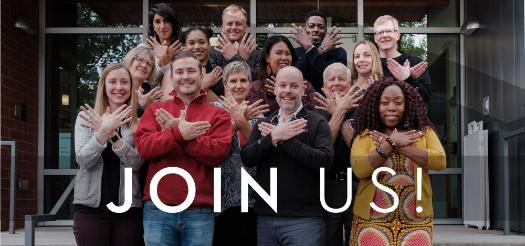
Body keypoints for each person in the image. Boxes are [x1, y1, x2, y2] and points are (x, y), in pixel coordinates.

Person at [135, 51, 232, 246]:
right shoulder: (155, 110)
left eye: (191, 71)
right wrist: (179, 134)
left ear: (201, 75)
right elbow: (144, 148)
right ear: (172, 77)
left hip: (199, 209)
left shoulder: (218, 114)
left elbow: (218, 153)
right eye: (179, 72)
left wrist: (181, 137)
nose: (185, 76)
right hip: (158, 207)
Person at [241, 66, 334, 246]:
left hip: (305, 220)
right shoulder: (264, 123)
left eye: (293, 86)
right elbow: (247, 157)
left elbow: (325, 161)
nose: (287, 91)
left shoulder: (317, 122)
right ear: (275, 89)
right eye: (282, 85)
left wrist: (286, 140)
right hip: (266, 218)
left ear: (303, 89)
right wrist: (272, 138)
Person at [350, 79, 446, 245]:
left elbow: (440, 161)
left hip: (416, 222)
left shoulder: (423, 132)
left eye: (398, 102)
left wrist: (401, 146)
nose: (391, 107)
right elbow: (360, 169)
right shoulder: (366, 135)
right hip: (372, 222)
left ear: (407, 105)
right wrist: (389, 144)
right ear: (375, 106)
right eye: (384, 103)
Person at [73, 63, 143, 246]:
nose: (119, 87)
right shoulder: (85, 118)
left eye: (124, 82)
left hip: (127, 209)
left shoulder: (139, 123)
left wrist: (114, 136)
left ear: (131, 87)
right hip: (91, 208)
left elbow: (137, 164)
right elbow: (83, 161)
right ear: (104, 86)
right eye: (113, 81)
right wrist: (101, 133)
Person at [212, 61, 269, 245]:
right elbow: (213, 150)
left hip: (251, 199)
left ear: (250, 84)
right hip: (219, 200)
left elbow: (261, 152)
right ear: (225, 84)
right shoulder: (213, 111)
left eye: (243, 80)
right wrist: (236, 121)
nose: (238, 85)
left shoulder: (259, 114)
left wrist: (244, 122)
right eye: (233, 81)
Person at [313, 63, 365, 246]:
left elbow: (359, 148)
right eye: (331, 79)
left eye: (341, 79)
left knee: (357, 237)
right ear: (324, 85)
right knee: (330, 238)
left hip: (358, 184)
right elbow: (322, 148)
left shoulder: (363, 111)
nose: (336, 83)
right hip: (329, 185)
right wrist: (339, 112)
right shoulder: (315, 114)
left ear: (350, 84)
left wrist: (339, 112)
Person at [247, 35, 317, 115]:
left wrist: (297, 97)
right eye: (278, 53)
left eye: (288, 53)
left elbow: (315, 116)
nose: (284, 57)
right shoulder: (255, 88)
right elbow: (258, 122)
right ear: (267, 57)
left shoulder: (304, 85)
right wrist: (279, 96)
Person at [373, 15, 432, 103]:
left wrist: (408, 79)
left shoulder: (414, 63)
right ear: (375, 38)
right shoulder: (370, 64)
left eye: (389, 31)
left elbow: (425, 98)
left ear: (397, 35)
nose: (384, 35)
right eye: (380, 32)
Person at [290, 10, 347, 92]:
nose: (316, 29)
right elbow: (298, 76)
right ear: (304, 28)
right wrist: (320, 50)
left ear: (326, 30)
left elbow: (329, 78)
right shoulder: (294, 52)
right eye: (311, 26)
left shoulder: (338, 52)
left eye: (321, 27)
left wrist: (311, 49)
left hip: (327, 101)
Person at [181, 26, 225, 100]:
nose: (197, 46)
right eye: (191, 43)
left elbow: (228, 103)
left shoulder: (218, 71)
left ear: (209, 45)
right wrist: (203, 85)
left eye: (202, 42)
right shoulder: (178, 72)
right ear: (185, 47)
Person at [144, 3, 183, 84]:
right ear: (153, 27)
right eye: (157, 22)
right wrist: (162, 62)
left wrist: (167, 62)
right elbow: (144, 82)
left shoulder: (183, 50)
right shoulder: (144, 49)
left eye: (166, 21)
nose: (162, 26)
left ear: (173, 24)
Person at [217, 4, 259, 77]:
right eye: (230, 23)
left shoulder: (258, 55)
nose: (233, 27)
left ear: (246, 28)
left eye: (238, 24)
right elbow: (217, 84)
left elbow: (257, 81)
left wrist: (234, 58)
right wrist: (239, 59)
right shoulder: (213, 54)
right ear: (222, 27)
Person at [122, 46, 162, 114]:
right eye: (140, 60)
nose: (144, 65)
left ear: (151, 72)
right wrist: (140, 105)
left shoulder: (152, 95)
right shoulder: (117, 88)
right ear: (130, 59)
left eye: (149, 64)